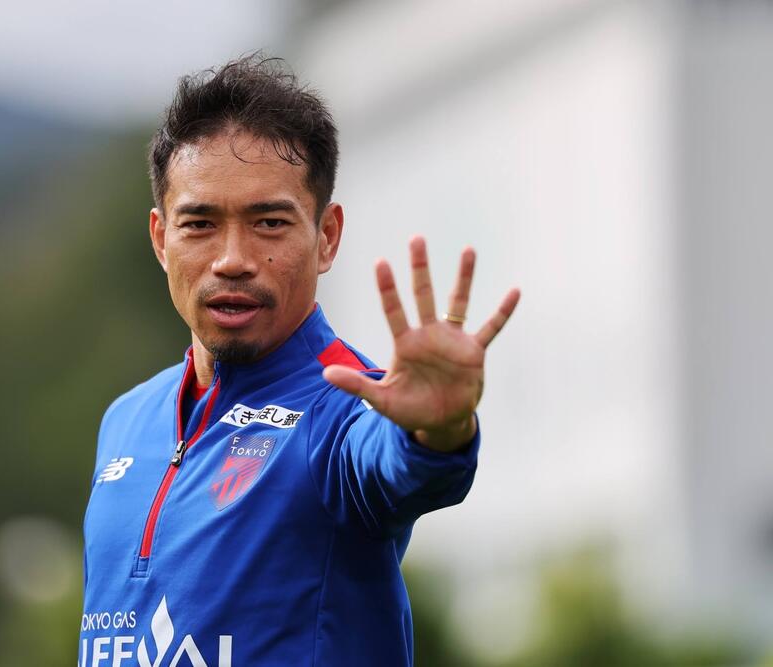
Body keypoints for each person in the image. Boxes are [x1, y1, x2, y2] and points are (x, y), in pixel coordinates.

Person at [79, 55, 520, 667]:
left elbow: (393, 463)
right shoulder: (126, 420)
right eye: (200, 223)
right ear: (161, 239)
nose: (232, 259)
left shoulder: (345, 408)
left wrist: (438, 429)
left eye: (269, 222)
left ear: (326, 237)